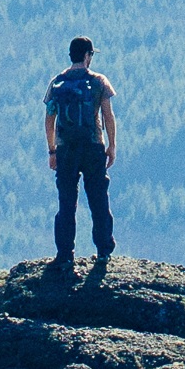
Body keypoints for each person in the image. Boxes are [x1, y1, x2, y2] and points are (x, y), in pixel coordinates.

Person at [44, 35, 117, 271]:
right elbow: (107, 115)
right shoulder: (98, 82)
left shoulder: (57, 82)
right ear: (87, 56)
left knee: (67, 202)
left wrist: (52, 150)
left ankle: (65, 254)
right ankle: (104, 251)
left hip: (66, 150)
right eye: (91, 55)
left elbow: (49, 119)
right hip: (93, 147)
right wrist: (111, 146)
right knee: (98, 199)